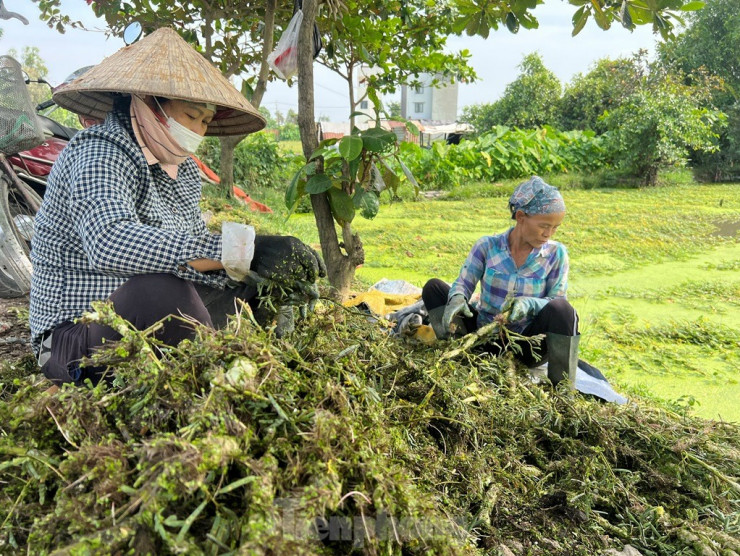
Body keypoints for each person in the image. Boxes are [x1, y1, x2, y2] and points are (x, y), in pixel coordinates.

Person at [29, 28, 324, 386]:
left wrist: (256, 260)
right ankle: (214, 377)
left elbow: (194, 255)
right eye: (191, 115)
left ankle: (237, 364)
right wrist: (240, 250)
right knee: (159, 289)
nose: (199, 130)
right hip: (76, 337)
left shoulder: (182, 170)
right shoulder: (97, 152)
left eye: (204, 120)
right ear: (149, 103)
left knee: (249, 288)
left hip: (144, 324)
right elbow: (109, 243)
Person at [421, 176, 579, 386]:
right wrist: (457, 298)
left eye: (555, 228)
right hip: (483, 337)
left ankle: (562, 389)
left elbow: (556, 299)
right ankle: (452, 349)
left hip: (527, 345)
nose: (548, 234)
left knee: (564, 310)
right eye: (544, 226)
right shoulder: (488, 246)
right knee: (434, 288)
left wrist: (531, 304)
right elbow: (464, 283)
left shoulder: (556, 253)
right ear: (521, 217)